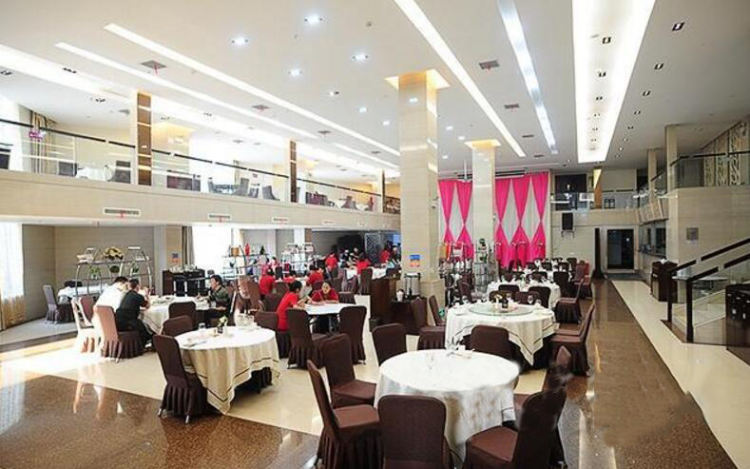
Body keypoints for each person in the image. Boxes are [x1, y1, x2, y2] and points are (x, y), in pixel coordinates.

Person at [114, 278, 152, 345]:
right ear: (138, 286)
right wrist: (147, 294)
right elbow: (147, 306)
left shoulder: (125, 295)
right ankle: (147, 342)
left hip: (117, 322)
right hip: (127, 322)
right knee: (142, 325)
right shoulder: (137, 296)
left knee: (140, 323)